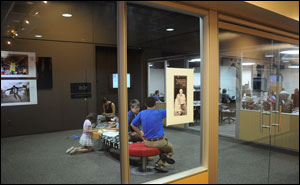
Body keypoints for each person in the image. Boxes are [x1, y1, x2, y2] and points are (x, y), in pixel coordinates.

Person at [131, 97, 175, 173]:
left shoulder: (141, 113)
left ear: (145, 104)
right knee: (170, 150)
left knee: (163, 145)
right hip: (160, 142)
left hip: (147, 142)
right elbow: (173, 110)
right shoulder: (159, 112)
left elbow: (132, 124)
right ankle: (159, 163)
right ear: (155, 104)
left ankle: (163, 158)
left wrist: (140, 134)